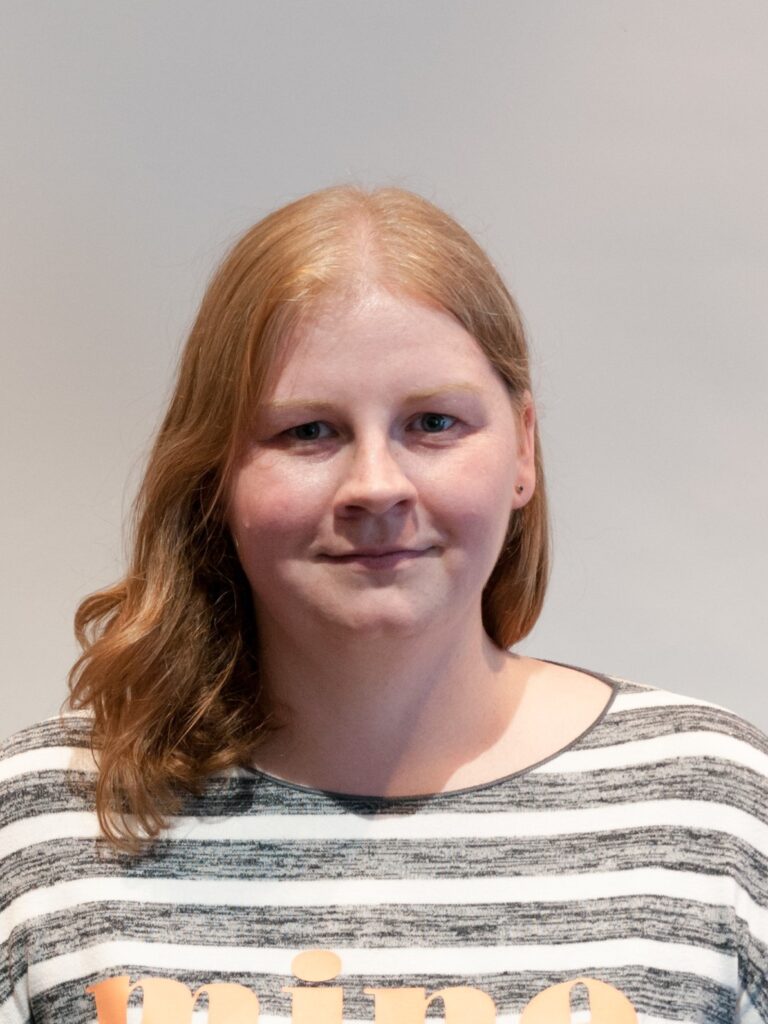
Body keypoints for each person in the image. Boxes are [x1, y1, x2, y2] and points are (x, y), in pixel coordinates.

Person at [0, 185, 766, 1024]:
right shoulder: (48, 817)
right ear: (215, 471)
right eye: (307, 432)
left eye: (433, 423)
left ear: (524, 449)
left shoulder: (712, 805)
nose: (375, 485)